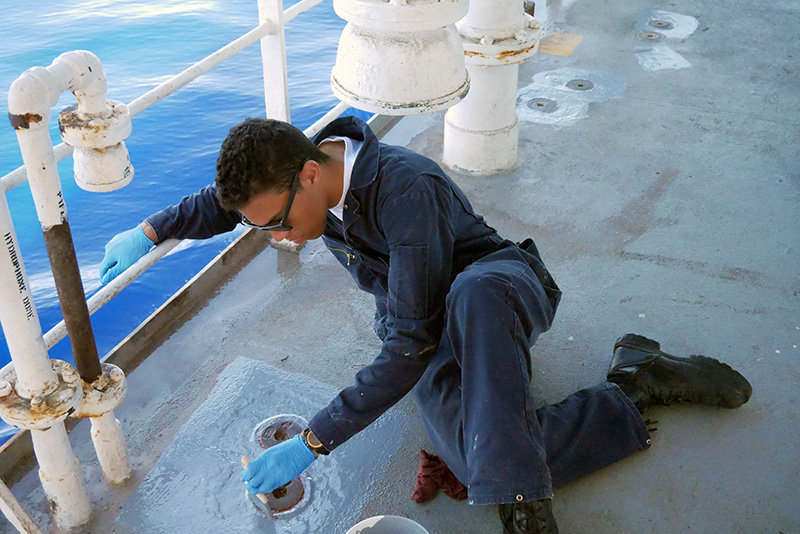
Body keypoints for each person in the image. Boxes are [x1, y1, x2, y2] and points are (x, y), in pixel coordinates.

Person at [100, 116, 752, 534]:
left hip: (497, 286)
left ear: (307, 176)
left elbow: (409, 344)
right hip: (425, 322)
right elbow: (221, 206)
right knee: (482, 458)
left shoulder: (403, 188)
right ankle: (633, 385)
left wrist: (316, 441)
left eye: (274, 223)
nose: (273, 236)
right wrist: (149, 230)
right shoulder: (299, 173)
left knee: (474, 296)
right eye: (261, 226)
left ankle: (526, 504)